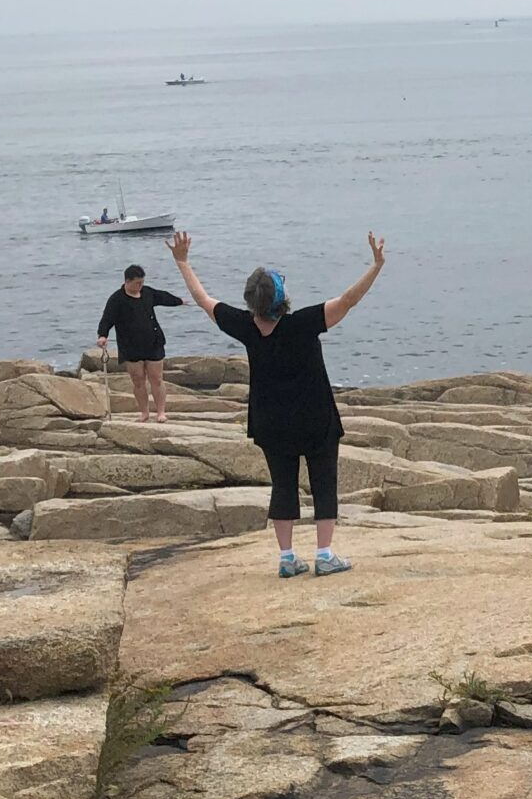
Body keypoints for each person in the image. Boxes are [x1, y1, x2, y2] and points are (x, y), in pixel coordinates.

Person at [167, 229, 384, 578]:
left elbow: (203, 299)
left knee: (282, 486)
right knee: (324, 481)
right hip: (315, 418)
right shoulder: (304, 323)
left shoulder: (244, 327)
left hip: (270, 422)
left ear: (251, 301)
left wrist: (182, 262)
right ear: (281, 297)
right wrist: (375, 266)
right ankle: (324, 554)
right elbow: (348, 300)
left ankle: (287, 558)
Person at [94, 264, 182, 423]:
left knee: (156, 379)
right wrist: (102, 335)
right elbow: (107, 319)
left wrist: (179, 301)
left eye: (142, 282)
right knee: (138, 380)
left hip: (153, 341)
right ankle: (144, 413)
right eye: (137, 283)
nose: (140, 286)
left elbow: (163, 297)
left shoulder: (147, 293)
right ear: (127, 281)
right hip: (130, 345)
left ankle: (161, 412)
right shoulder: (116, 299)